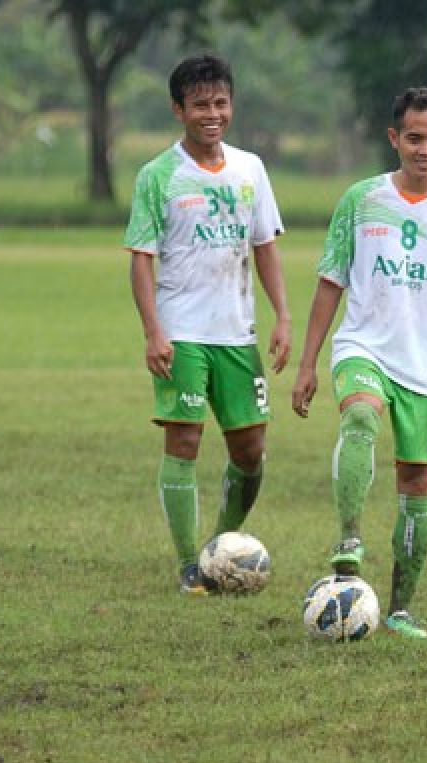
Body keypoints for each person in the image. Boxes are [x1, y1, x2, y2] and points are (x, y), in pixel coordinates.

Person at [291, 87, 427, 641]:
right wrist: (308, 363)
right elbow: (330, 282)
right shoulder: (362, 199)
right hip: (362, 347)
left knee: (417, 482)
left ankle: (402, 608)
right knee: (360, 416)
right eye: (414, 138)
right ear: (394, 139)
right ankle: (348, 538)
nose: (425, 149)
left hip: (426, 366)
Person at [125, 54, 291, 595]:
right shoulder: (158, 175)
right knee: (185, 441)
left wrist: (283, 315)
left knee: (250, 452)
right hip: (183, 331)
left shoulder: (251, 168)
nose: (212, 113)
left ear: (231, 106)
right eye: (200, 104)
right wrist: (154, 330)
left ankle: (220, 549)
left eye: (220, 102)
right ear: (179, 110)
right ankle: (187, 566)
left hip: (237, 333)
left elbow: (264, 246)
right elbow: (142, 257)